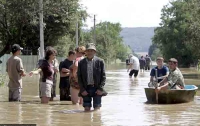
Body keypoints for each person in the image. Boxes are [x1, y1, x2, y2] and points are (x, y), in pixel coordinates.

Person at [78, 43, 107, 111]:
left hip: (97, 88)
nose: (90, 52)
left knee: (97, 110)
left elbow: (103, 77)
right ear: (85, 52)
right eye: (88, 50)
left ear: (95, 52)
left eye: (92, 51)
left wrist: (100, 89)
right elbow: (79, 77)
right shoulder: (81, 62)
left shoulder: (100, 61)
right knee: (86, 109)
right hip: (86, 88)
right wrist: (82, 89)